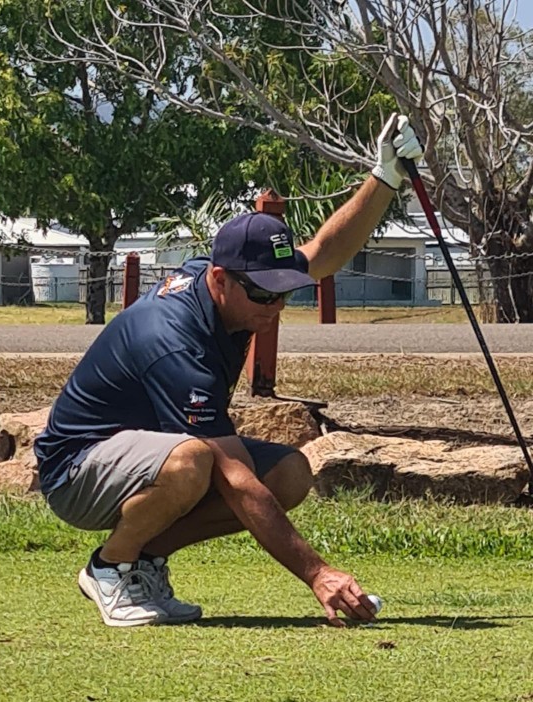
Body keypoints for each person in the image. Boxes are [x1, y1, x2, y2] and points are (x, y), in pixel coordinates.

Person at [35, 113, 423, 629]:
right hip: (75, 472)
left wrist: (385, 177)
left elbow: (323, 253)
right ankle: (109, 568)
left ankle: (143, 559)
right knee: (197, 459)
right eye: (264, 293)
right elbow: (236, 478)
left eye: (285, 291)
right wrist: (318, 574)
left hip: (139, 453)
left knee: (288, 473)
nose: (276, 305)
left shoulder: (228, 277)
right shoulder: (174, 341)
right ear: (220, 281)